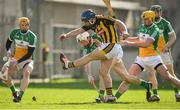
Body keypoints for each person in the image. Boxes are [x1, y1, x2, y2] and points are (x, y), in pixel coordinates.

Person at [59, 9, 152, 102]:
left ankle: (68, 64)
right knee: (105, 72)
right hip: (109, 47)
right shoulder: (90, 25)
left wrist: (124, 32)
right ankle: (112, 95)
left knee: (90, 57)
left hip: (112, 45)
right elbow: (78, 30)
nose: (85, 23)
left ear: (91, 19)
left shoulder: (103, 19)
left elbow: (119, 23)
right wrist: (66, 35)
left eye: (86, 21)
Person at [116, 10, 180, 102]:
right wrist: (127, 38)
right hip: (141, 58)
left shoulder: (155, 30)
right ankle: (114, 98)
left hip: (153, 58)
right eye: (144, 19)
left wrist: (128, 42)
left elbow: (145, 44)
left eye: (146, 19)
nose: (144, 21)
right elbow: (139, 39)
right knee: (128, 78)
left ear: (152, 19)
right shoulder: (142, 27)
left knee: (168, 77)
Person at [145, 5, 180, 102]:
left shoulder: (165, 23)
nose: (155, 13)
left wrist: (167, 45)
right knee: (151, 73)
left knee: (170, 74)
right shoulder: (147, 22)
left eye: (157, 12)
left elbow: (173, 37)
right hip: (152, 52)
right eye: (153, 11)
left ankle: (177, 94)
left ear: (160, 13)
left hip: (164, 53)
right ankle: (155, 95)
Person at [0, 17, 37, 102]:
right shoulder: (14, 32)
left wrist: (17, 61)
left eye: (26, 25)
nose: (24, 26)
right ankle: (14, 92)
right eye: (22, 25)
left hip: (27, 60)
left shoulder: (32, 37)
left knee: (26, 73)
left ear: (29, 26)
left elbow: (29, 54)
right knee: (3, 74)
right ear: (19, 25)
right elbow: (8, 44)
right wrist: (9, 51)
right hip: (15, 58)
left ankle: (19, 96)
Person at [76, 31, 112, 102]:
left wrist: (96, 41)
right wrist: (89, 75)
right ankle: (103, 96)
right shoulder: (86, 49)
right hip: (106, 56)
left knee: (103, 73)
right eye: (80, 42)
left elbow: (104, 46)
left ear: (88, 38)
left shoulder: (96, 36)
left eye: (83, 41)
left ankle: (108, 96)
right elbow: (87, 62)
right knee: (103, 73)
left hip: (113, 52)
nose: (82, 44)